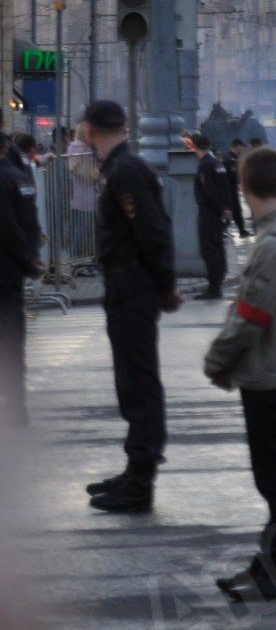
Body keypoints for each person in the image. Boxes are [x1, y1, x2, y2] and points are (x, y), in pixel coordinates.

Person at [201, 147, 276, 601]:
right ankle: (273, 559)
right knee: (275, 472)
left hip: (271, 371)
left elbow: (250, 315)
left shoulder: (271, 244)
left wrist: (218, 360)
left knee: (275, 476)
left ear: (245, 188)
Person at [80, 101, 180, 514]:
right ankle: (135, 467)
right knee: (130, 380)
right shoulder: (118, 168)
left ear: (89, 129)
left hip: (132, 284)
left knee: (139, 381)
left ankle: (141, 480)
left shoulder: (126, 171)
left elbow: (153, 231)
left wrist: (165, 285)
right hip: (125, 284)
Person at [0, 133, 44, 426]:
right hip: (9, 272)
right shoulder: (19, 178)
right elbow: (22, 225)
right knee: (12, 340)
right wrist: (30, 260)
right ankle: (16, 405)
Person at [191, 133, 233, 301]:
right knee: (218, 248)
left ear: (194, 147)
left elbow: (209, 191)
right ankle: (217, 284)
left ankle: (213, 287)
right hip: (218, 211)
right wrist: (226, 208)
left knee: (209, 249)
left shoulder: (204, 165)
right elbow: (225, 188)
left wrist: (216, 208)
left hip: (208, 212)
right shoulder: (217, 163)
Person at [225, 138, 253, 238]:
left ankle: (242, 230)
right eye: (241, 148)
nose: (241, 150)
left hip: (232, 188)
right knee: (230, 210)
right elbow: (233, 174)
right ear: (236, 147)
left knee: (235, 210)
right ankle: (224, 230)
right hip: (228, 188)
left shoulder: (233, 158)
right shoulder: (229, 158)